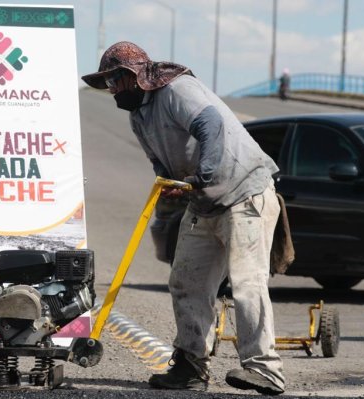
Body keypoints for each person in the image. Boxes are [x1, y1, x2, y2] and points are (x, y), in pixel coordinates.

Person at [82, 42, 285, 395]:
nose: (112, 90)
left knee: (247, 284)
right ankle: (191, 367)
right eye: (108, 83)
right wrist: (170, 182)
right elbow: (159, 159)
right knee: (186, 281)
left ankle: (264, 369)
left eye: (115, 81)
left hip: (243, 192)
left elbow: (210, 124)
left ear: (133, 76)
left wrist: (201, 177)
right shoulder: (138, 114)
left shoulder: (176, 89)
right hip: (203, 200)